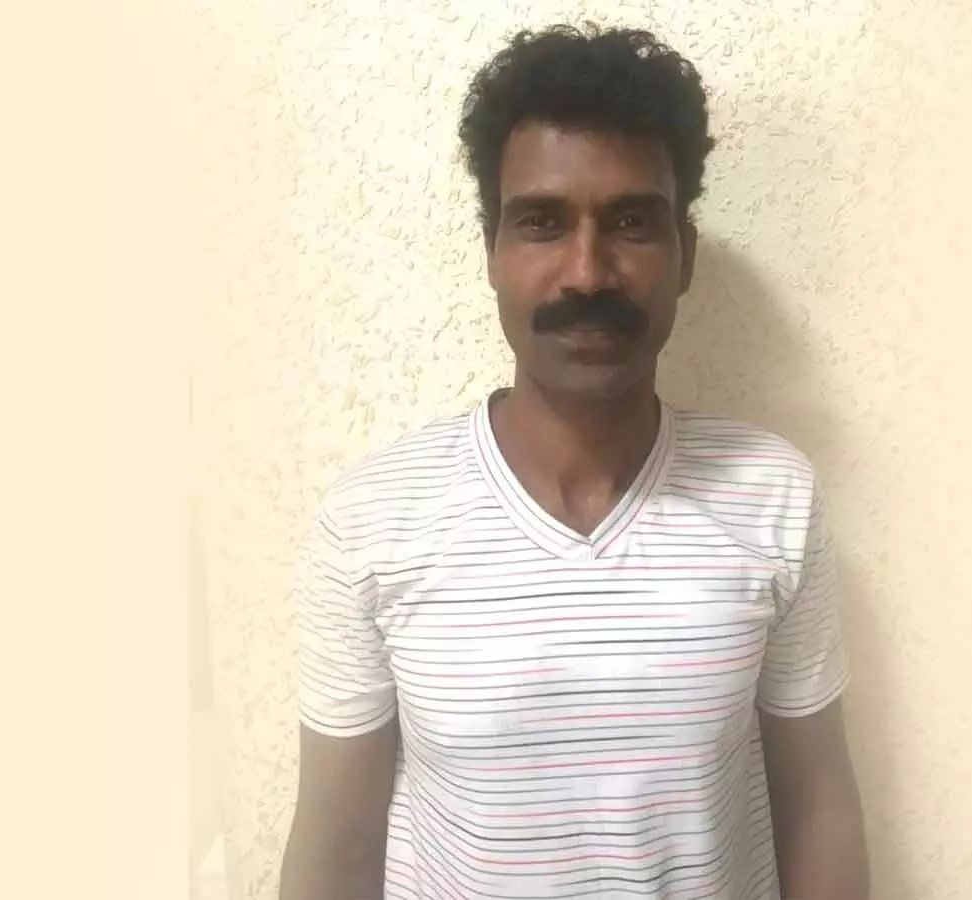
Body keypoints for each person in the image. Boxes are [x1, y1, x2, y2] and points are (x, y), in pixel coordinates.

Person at [280, 23, 870, 900]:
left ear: (685, 256)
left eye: (631, 222)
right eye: (542, 224)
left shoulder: (772, 495)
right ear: (491, 254)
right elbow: (336, 848)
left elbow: (816, 803)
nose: (587, 272)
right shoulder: (371, 521)